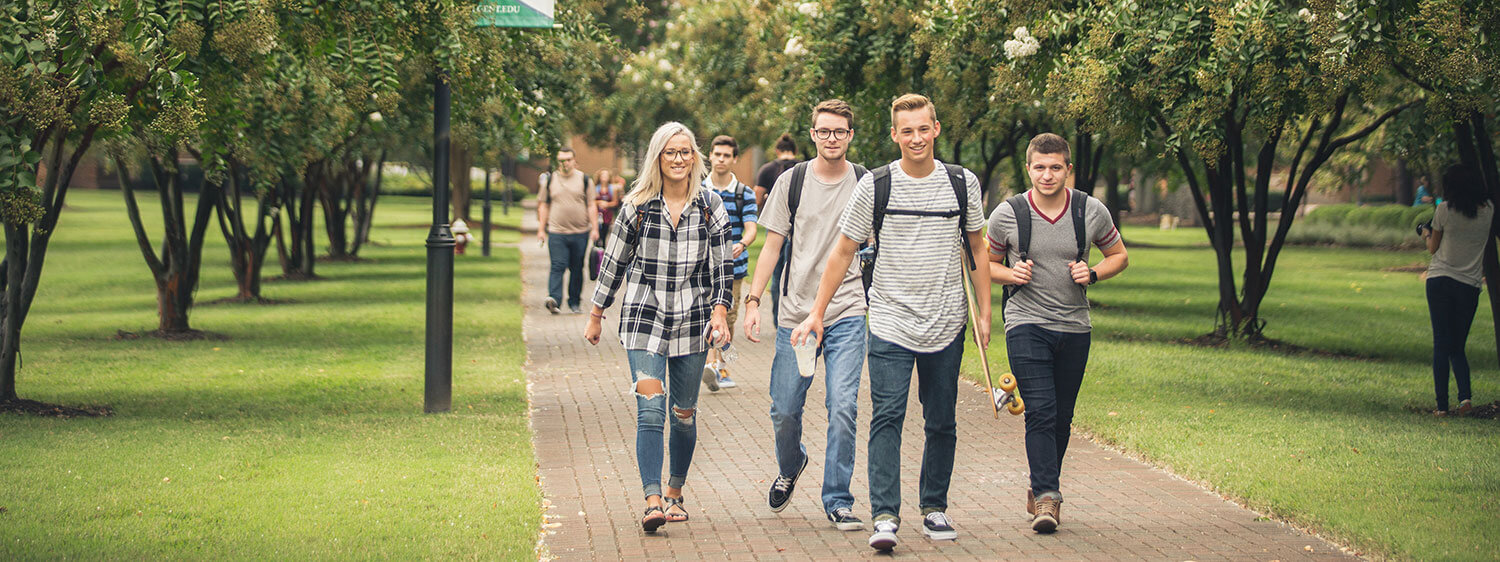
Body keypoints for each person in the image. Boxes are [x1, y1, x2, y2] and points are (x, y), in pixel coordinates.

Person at [792, 94, 989, 551]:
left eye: (923, 129)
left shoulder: (963, 184)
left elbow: (977, 248)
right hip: (889, 320)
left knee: (941, 420)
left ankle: (934, 507)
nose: (916, 138)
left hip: (947, 320)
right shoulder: (876, 185)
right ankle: (885, 516)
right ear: (895, 134)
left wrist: (983, 312)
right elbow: (844, 250)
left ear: (936, 129)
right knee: (888, 417)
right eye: (907, 131)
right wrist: (817, 313)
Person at [584, 122, 734, 533]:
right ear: (658, 157)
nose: (679, 159)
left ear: (694, 157)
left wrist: (720, 312)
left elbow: (723, 265)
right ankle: (652, 500)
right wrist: (597, 313)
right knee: (650, 410)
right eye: (671, 152)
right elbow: (612, 262)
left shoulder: (710, 205)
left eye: (685, 152)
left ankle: (674, 492)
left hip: (693, 319)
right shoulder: (637, 205)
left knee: (683, 414)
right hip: (644, 318)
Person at [987, 133, 1129, 534]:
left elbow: (1119, 255)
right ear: (1028, 169)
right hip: (1025, 322)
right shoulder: (1008, 213)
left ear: (1068, 169)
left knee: (1062, 418)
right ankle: (1049, 497)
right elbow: (985, 263)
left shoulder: (1090, 210)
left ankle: (1039, 485)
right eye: (1039, 167)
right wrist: (1010, 273)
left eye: (1055, 168)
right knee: (1043, 411)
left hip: (1074, 325)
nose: (1047, 175)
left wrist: (1095, 272)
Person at [743, 99, 868, 531]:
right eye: (824, 131)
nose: (832, 138)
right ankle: (791, 463)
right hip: (796, 315)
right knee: (784, 409)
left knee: (843, 407)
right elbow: (772, 247)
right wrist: (754, 301)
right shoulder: (791, 182)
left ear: (851, 135)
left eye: (840, 132)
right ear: (812, 134)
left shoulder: (867, 184)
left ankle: (838, 498)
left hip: (847, 311)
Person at [1422, 165, 1492, 417]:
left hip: (1440, 280)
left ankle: (1441, 407)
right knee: (1457, 345)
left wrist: (1425, 232)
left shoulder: (1444, 211)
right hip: (1469, 285)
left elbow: (1433, 247)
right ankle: (1465, 401)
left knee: (1441, 342)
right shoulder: (1489, 211)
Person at [702, 135, 758, 391]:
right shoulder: (698, 190)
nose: (721, 159)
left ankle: (719, 363)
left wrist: (742, 244)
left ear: (734, 159)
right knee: (703, 313)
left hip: (734, 268)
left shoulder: (743, 193)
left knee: (729, 316)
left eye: (727, 155)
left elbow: (751, 229)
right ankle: (711, 364)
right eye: (717, 154)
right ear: (710, 156)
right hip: (701, 266)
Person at [537, 148, 598, 314]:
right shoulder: (550, 180)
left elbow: (592, 204)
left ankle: (574, 302)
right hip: (557, 232)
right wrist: (541, 229)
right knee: (557, 265)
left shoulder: (585, 180)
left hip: (580, 232)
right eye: (562, 160)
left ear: (574, 160)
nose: (565, 163)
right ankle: (554, 299)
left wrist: (595, 228)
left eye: (568, 159)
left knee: (577, 268)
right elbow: (544, 205)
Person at [756, 133, 801, 323]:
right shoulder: (803, 169)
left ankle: (778, 318)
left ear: (777, 150)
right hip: (800, 228)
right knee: (798, 271)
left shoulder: (767, 170)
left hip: (776, 226)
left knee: (775, 272)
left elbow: (757, 198)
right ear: (795, 150)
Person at [594, 168, 621, 243]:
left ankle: (602, 251)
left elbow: (615, 202)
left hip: (607, 215)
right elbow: (591, 202)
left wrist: (607, 204)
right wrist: (599, 202)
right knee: (597, 236)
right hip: (597, 215)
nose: (604, 177)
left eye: (606, 175)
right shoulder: (595, 188)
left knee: (605, 235)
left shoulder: (612, 189)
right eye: (602, 175)